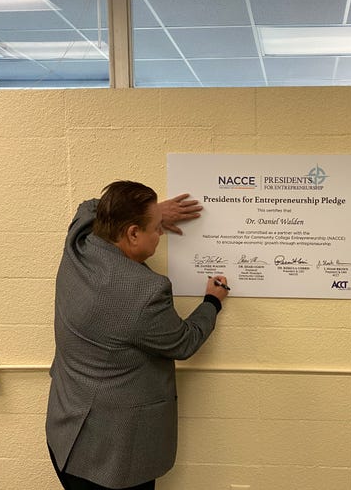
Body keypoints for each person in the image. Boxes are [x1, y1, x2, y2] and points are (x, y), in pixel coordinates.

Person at [46, 181, 229, 490]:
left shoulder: (78, 244)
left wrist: (154, 211)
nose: (160, 234)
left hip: (65, 437)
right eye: (156, 228)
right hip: (111, 462)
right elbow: (184, 342)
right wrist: (212, 302)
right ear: (132, 233)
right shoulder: (144, 293)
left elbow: (89, 205)